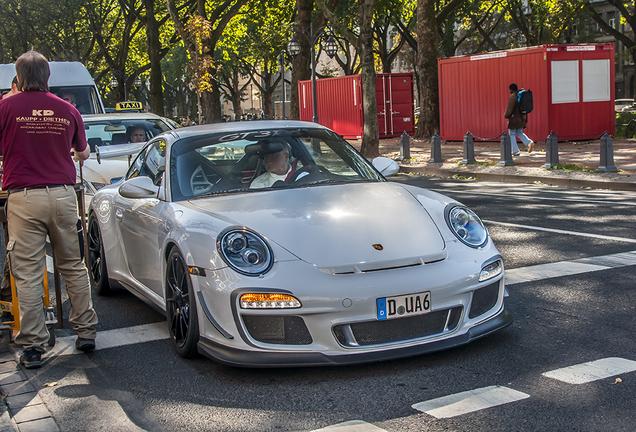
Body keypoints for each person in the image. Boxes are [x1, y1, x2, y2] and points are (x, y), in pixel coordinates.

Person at [0, 50, 98, 369]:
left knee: (27, 273)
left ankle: (33, 346)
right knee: (72, 264)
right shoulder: (67, 109)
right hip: (62, 194)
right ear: (47, 77)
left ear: (19, 77)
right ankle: (86, 331)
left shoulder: (5, 108)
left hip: (23, 197)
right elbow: (82, 153)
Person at [504, 83, 534, 156]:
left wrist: (506, 115)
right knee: (520, 133)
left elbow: (510, 109)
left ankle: (515, 151)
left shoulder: (513, 96)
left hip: (514, 119)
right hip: (522, 118)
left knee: (512, 134)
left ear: (511, 89)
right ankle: (529, 142)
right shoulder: (521, 95)